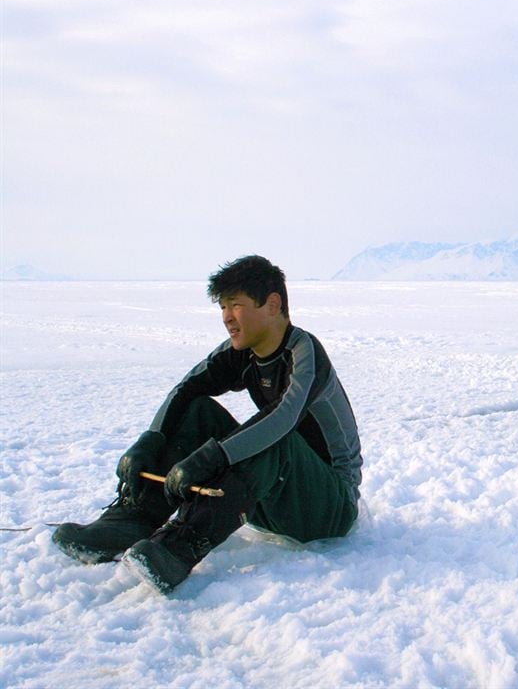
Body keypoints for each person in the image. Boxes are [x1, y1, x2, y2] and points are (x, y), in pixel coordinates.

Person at [53, 255, 362, 594]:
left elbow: (283, 417)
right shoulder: (241, 351)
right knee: (199, 411)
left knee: (275, 436)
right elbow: (186, 391)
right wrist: (151, 441)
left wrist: (214, 457)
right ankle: (129, 523)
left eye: (236, 305)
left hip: (328, 508)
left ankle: (179, 547)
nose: (228, 318)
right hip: (268, 496)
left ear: (273, 304)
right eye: (223, 307)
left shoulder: (304, 353)